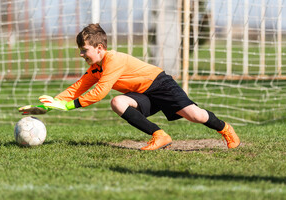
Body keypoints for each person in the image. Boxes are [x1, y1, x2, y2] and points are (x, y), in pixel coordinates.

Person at [19, 23, 240, 150]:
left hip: (161, 84)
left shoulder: (114, 60)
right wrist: (48, 106)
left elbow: (99, 93)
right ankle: (160, 136)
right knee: (118, 102)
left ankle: (225, 129)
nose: (81, 54)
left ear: (99, 47)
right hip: (143, 93)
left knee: (195, 115)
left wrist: (66, 107)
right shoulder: (96, 67)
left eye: (84, 49)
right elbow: (77, 88)